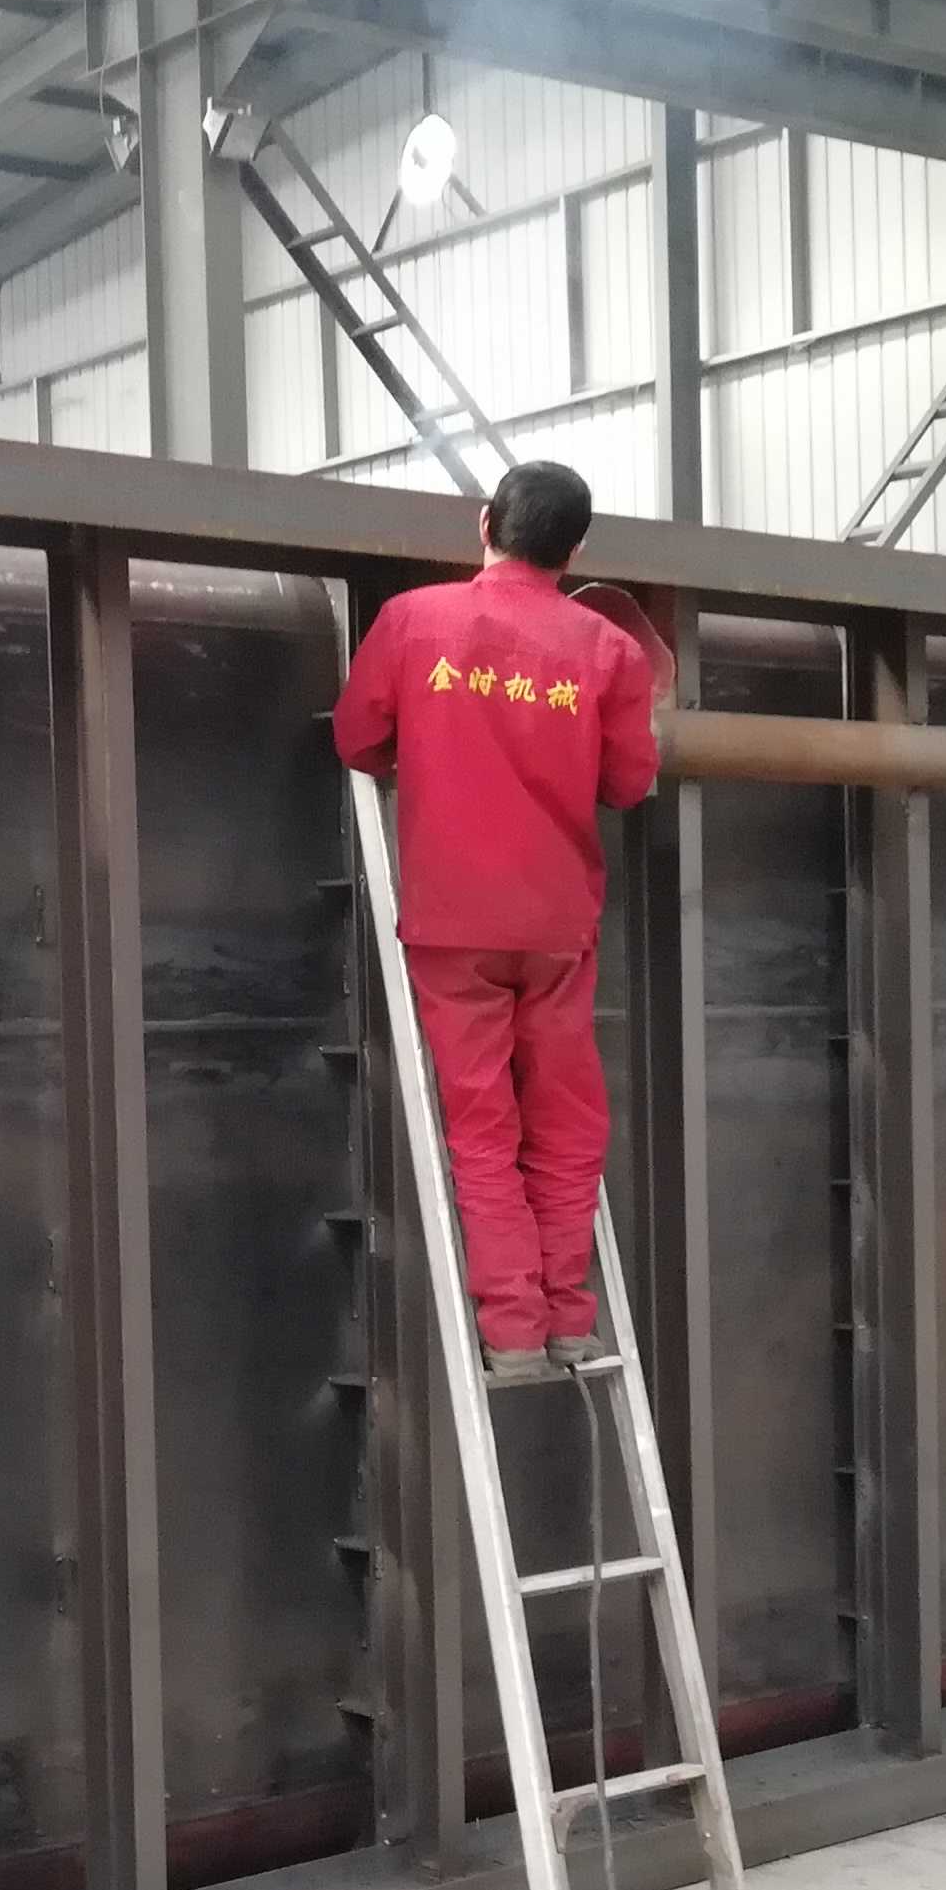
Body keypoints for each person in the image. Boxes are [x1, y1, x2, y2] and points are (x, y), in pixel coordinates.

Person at [333, 459, 660, 1383]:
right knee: (566, 1124)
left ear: (486, 525)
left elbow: (357, 738)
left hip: (452, 922)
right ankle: (569, 1323)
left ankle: (512, 1331)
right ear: (576, 550)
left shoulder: (413, 622)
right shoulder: (610, 651)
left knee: (482, 1127)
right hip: (556, 926)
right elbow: (629, 782)